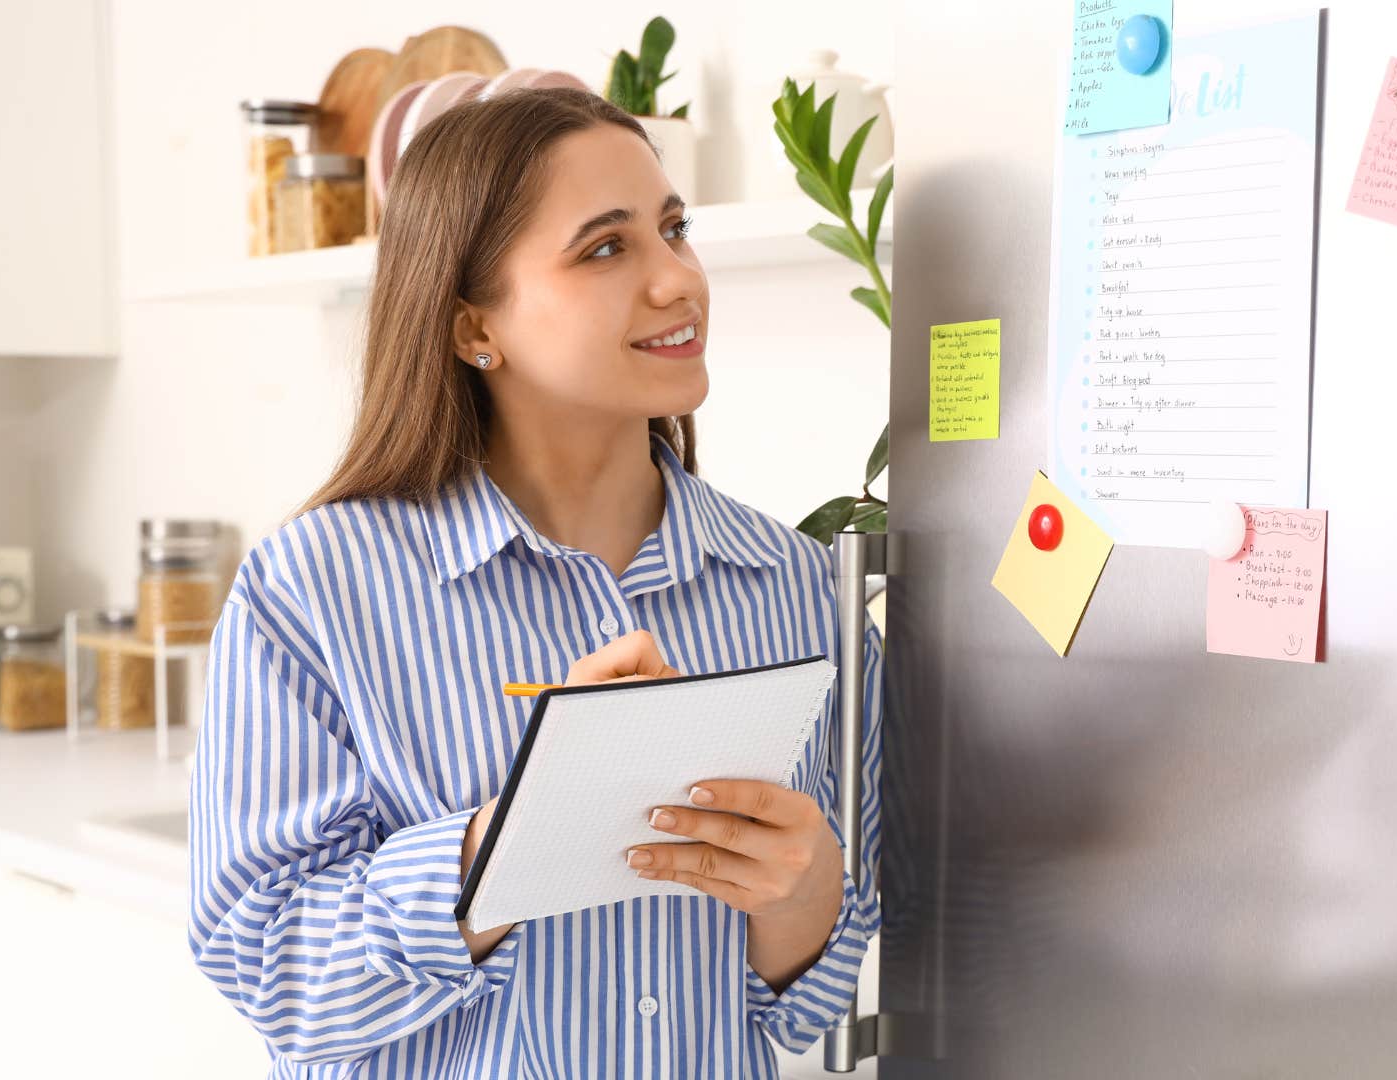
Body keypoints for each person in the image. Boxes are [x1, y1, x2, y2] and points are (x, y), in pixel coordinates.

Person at [187, 87, 883, 1078]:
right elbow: (274, 974)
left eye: (674, 229)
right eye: (607, 247)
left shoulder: (799, 588)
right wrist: (520, 830)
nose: (676, 279)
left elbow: (801, 1004)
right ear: (476, 326)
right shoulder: (311, 591)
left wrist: (806, 893)